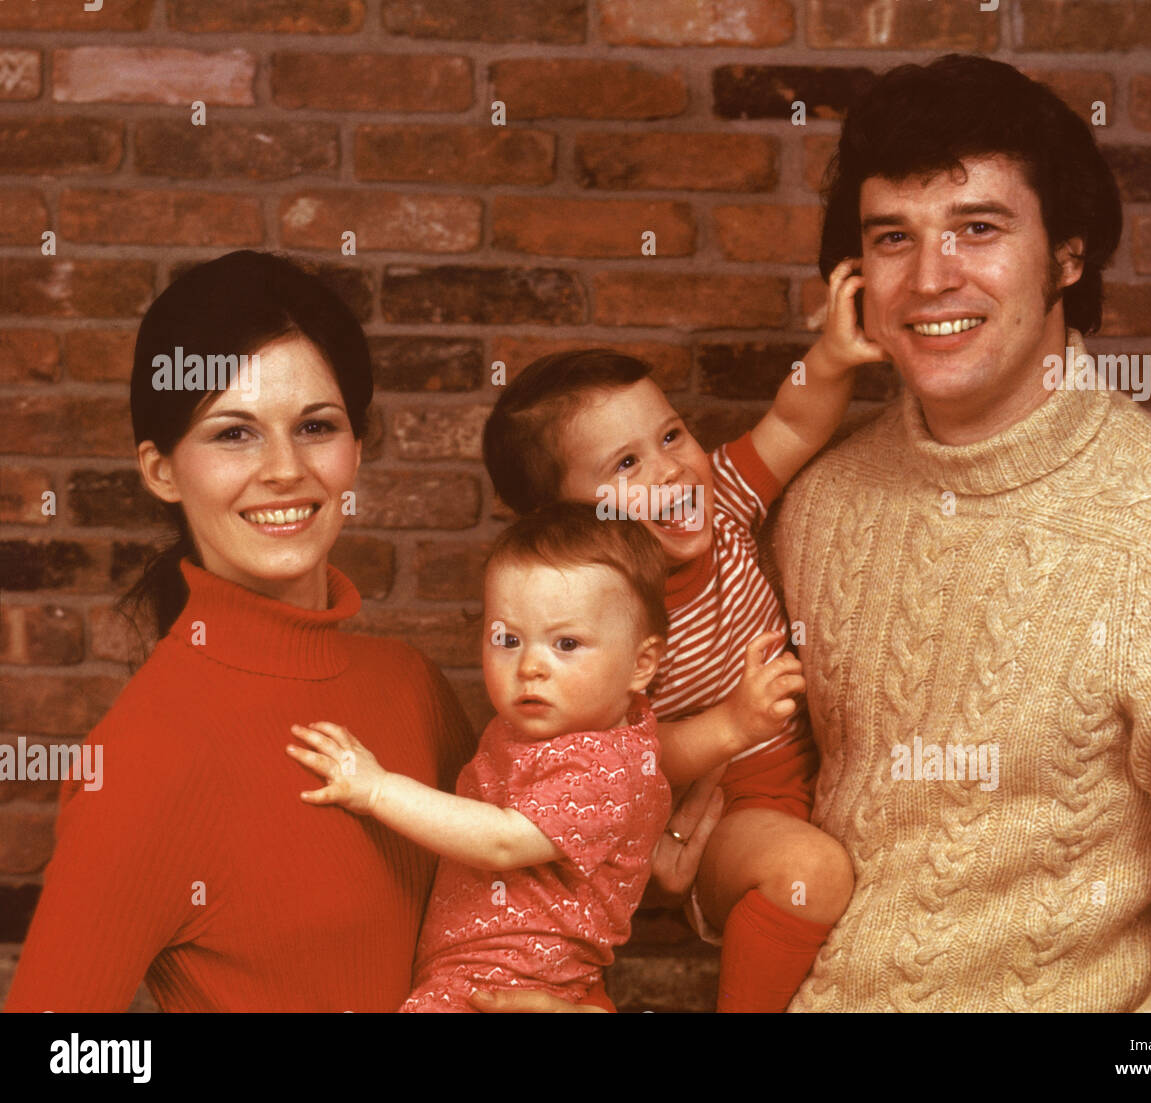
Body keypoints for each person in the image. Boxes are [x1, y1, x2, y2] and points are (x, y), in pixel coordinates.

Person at [768, 53, 1151, 1011]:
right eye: (894, 237)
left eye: (979, 228)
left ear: (1067, 256)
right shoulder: (819, 510)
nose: (931, 278)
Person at [2, 252, 610, 1013]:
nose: (285, 469)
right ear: (160, 470)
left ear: (354, 448)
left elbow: (539, 923)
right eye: (234, 434)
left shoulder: (408, 684)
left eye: (316, 426)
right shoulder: (138, 759)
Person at [480, 305, 882, 1010]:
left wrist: (833, 357)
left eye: (671, 434)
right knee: (808, 871)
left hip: (816, 779)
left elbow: (793, 424)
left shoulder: (721, 499)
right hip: (723, 811)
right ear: (569, 518)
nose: (670, 468)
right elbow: (614, 762)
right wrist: (731, 724)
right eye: (626, 464)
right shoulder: (598, 610)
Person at [288, 505, 672, 1011]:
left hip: (504, 984)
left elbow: (501, 841)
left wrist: (378, 789)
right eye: (508, 639)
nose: (531, 666)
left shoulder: (603, 765)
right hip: (482, 973)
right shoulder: (562, 727)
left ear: (640, 664)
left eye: (567, 644)